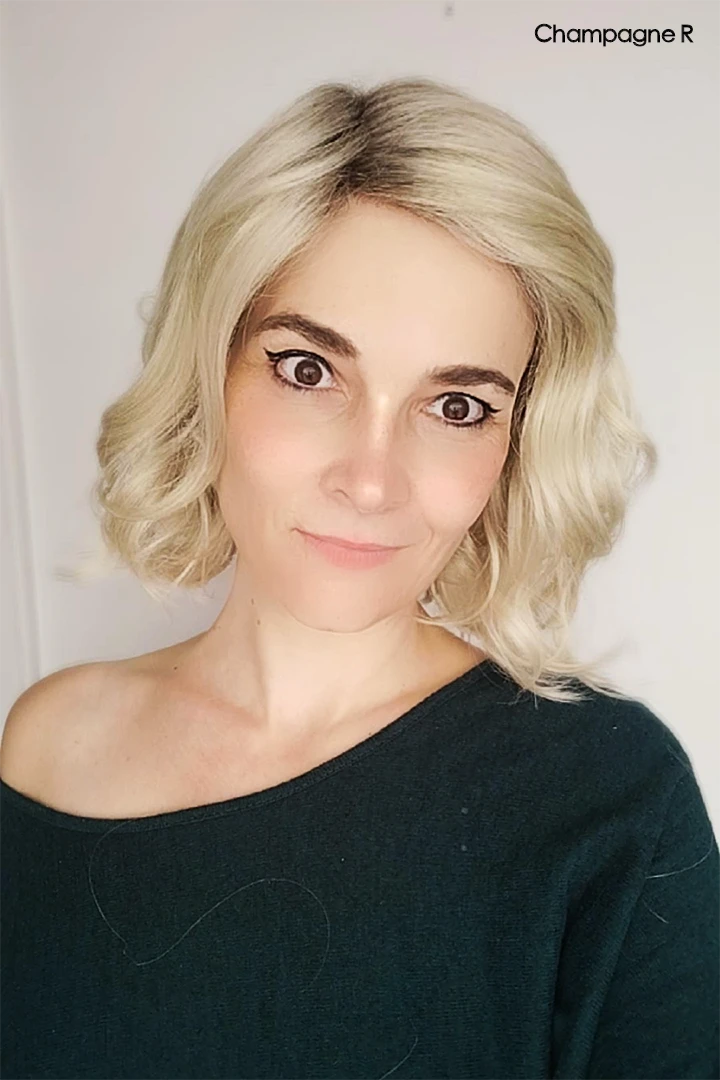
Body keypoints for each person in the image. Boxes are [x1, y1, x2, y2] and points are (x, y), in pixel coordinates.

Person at [0, 76, 718, 1078]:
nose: (372, 481)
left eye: (458, 406)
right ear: (208, 370)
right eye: (308, 370)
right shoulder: (48, 746)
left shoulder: (608, 798)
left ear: (517, 442)